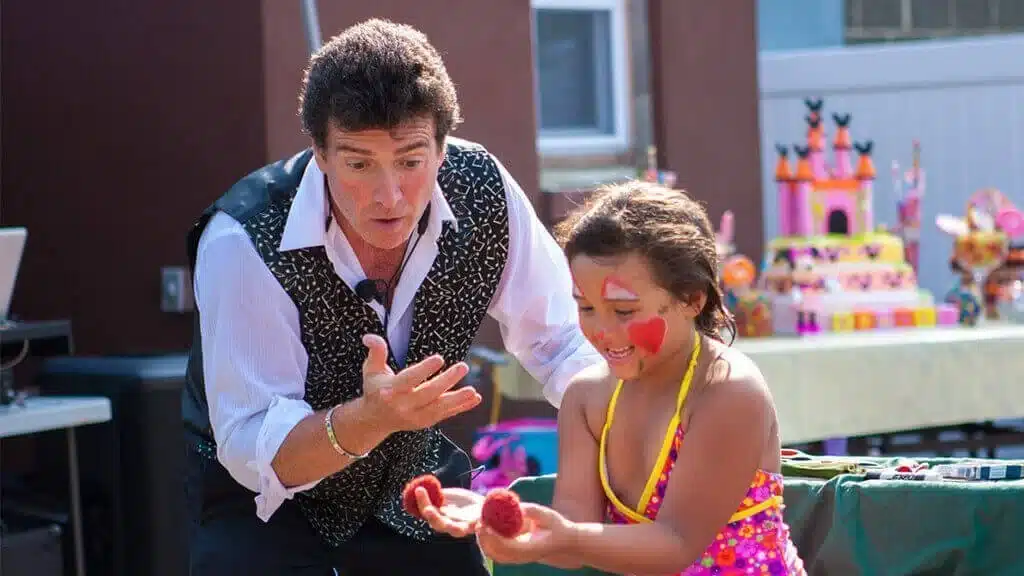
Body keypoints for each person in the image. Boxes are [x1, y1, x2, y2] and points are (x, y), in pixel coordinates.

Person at [181, 18, 601, 576]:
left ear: (443, 146)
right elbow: (255, 442)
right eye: (358, 164)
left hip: (415, 488)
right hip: (266, 508)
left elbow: (564, 340)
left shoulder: (484, 189)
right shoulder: (243, 238)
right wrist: (367, 419)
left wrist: (641, 420)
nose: (389, 195)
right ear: (320, 153)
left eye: (410, 160)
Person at [415, 181, 807, 575]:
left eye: (623, 311)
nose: (602, 331)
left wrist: (568, 537)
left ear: (691, 298)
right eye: (585, 307)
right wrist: (505, 523)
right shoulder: (586, 396)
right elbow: (572, 537)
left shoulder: (725, 391)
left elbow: (676, 543)